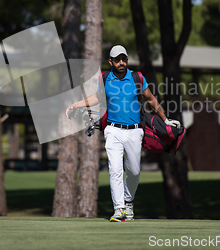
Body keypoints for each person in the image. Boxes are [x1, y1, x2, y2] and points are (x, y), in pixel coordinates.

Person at [65, 45, 180, 222]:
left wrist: (165, 120)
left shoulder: (137, 77)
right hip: (113, 130)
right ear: (111, 61)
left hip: (135, 132)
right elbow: (97, 97)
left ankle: (128, 201)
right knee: (115, 170)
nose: (121, 62)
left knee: (134, 171)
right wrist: (76, 105)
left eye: (124, 59)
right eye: (117, 59)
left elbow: (151, 99)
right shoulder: (104, 78)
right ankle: (119, 209)